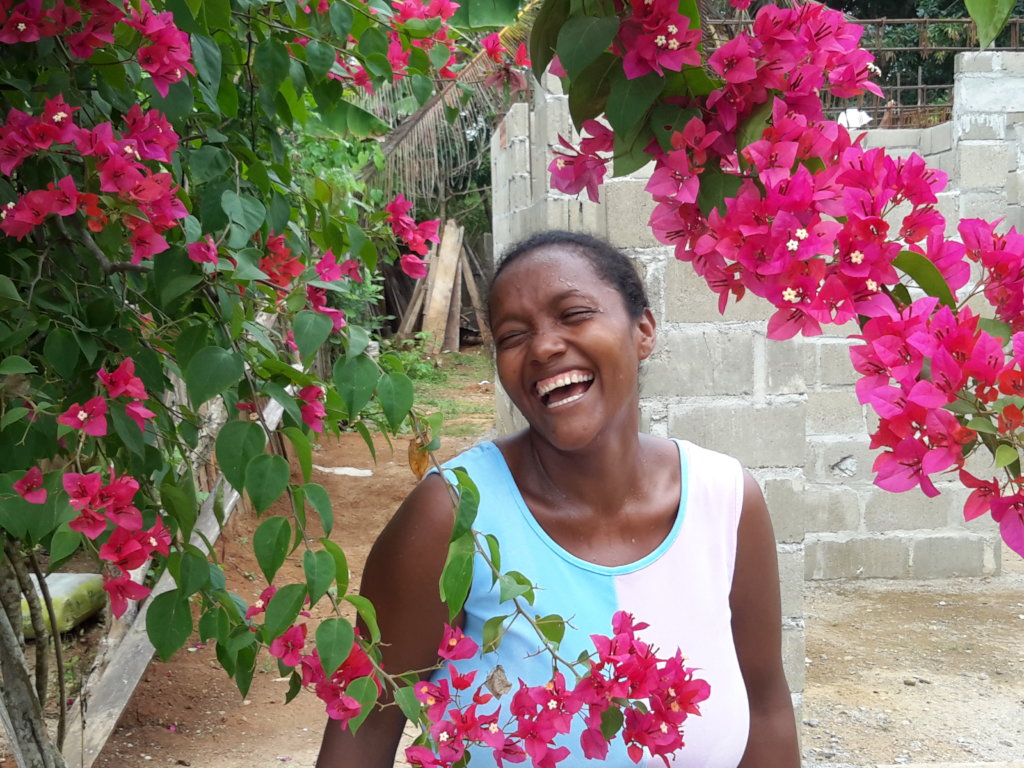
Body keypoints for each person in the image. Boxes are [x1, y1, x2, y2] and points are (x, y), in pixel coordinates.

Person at [317, 230, 800, 767]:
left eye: (573, 314)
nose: (544, 346)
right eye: (513, 335)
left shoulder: (727, 502)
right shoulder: (453, 517)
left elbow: (768, 705)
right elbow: (362, 727)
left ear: (643, 330)